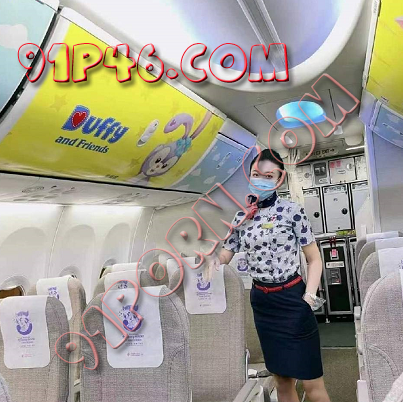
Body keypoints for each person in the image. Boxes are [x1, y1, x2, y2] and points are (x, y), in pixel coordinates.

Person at [204, 149, 331, 402]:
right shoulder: (241, 217)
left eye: (268, 176)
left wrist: (308, 297)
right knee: (282, 381)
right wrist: (212, 261)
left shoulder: (292, 211)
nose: (261, 179)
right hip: (263, 304)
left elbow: (314, 259)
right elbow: (226, 254)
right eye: (256, 174)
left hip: (293, 299)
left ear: (279, 179)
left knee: (311, 382)